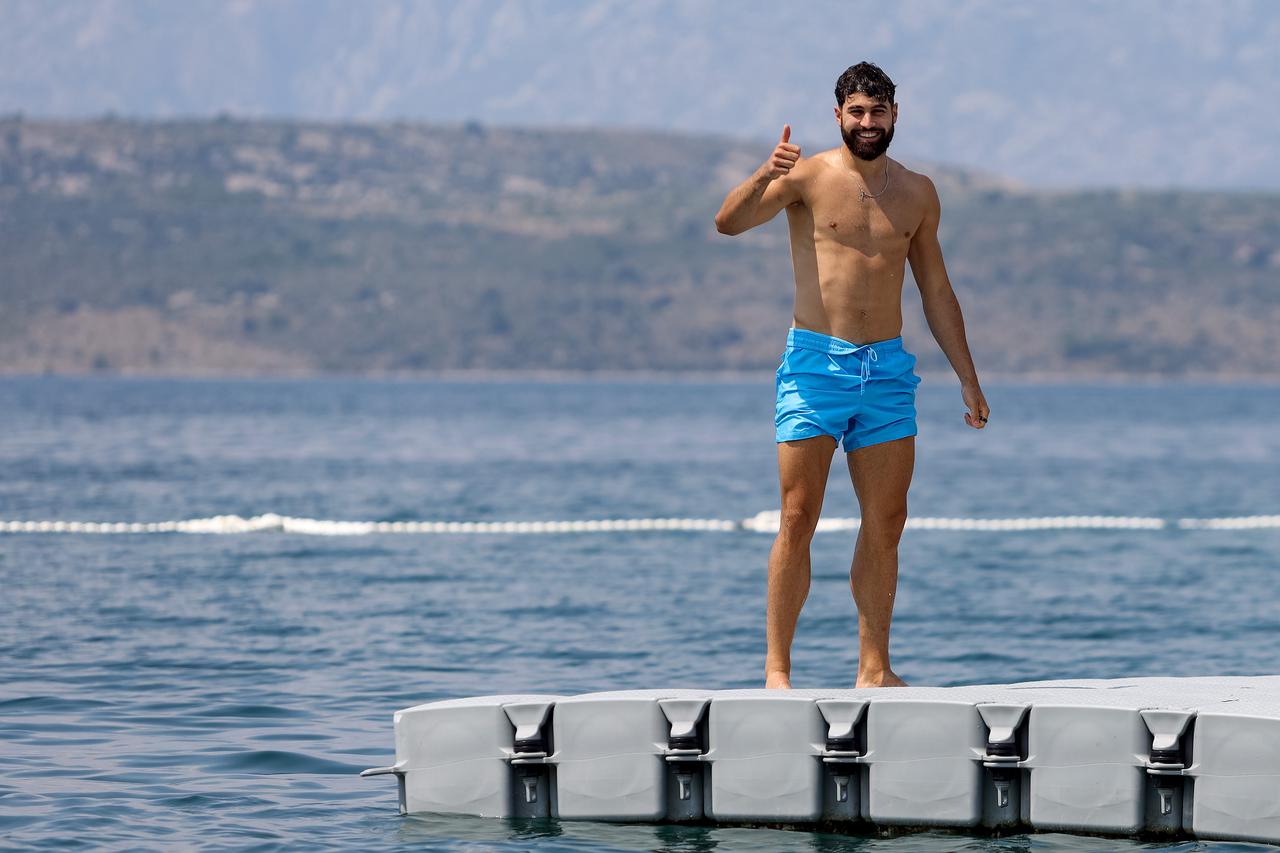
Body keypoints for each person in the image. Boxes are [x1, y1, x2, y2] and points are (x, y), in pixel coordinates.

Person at [714, 62, 990, 689]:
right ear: (838, 116)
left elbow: (936, 289)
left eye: (879, 111)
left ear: (896, 115)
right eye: (857, 112)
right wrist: (767, 170)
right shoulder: (807, 178)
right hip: (816, 364)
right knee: (797, 514)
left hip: (888, 369)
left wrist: (968, 379)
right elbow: (727, 223)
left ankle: (875, 668)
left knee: (888, 518)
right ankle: (778, 670)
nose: (869, 123)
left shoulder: (918, 192)